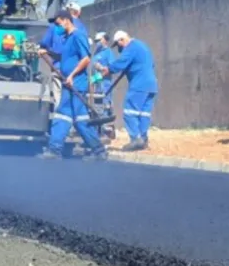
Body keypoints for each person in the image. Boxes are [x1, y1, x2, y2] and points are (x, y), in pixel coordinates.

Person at [39, 9, 108, 161]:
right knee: (79, 119)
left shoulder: (78, 36)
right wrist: (46, 52)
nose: (56, 27)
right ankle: (99, 151)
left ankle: (55, 149)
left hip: (75, 83)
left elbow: (86, 59)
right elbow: (65, 58)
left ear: (66, 20)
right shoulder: (67, 38)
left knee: (63, 114)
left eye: (58, 23)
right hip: (69, 83)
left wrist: (71, 76)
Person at [95, 30, 158, 151]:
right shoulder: (142, 46)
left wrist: (105, 71)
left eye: (118, 45)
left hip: (139, 85)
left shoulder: (131, 48)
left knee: (130, 112)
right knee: (143, 114)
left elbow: (119, 64)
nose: (119, 49)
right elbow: (151, 64)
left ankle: (135, 139)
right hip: (151, 84)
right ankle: (143, 139)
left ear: (122, 40)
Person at [90, 31, 115, 110]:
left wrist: (101, 69)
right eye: (96, 41)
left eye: (98, 41)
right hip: (96, 86)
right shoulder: (96, 53)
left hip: (105, 85)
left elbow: (111, 68)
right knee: (97, 107)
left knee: (105, 106)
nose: (97, 43)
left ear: (104, 39)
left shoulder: (108, 52)